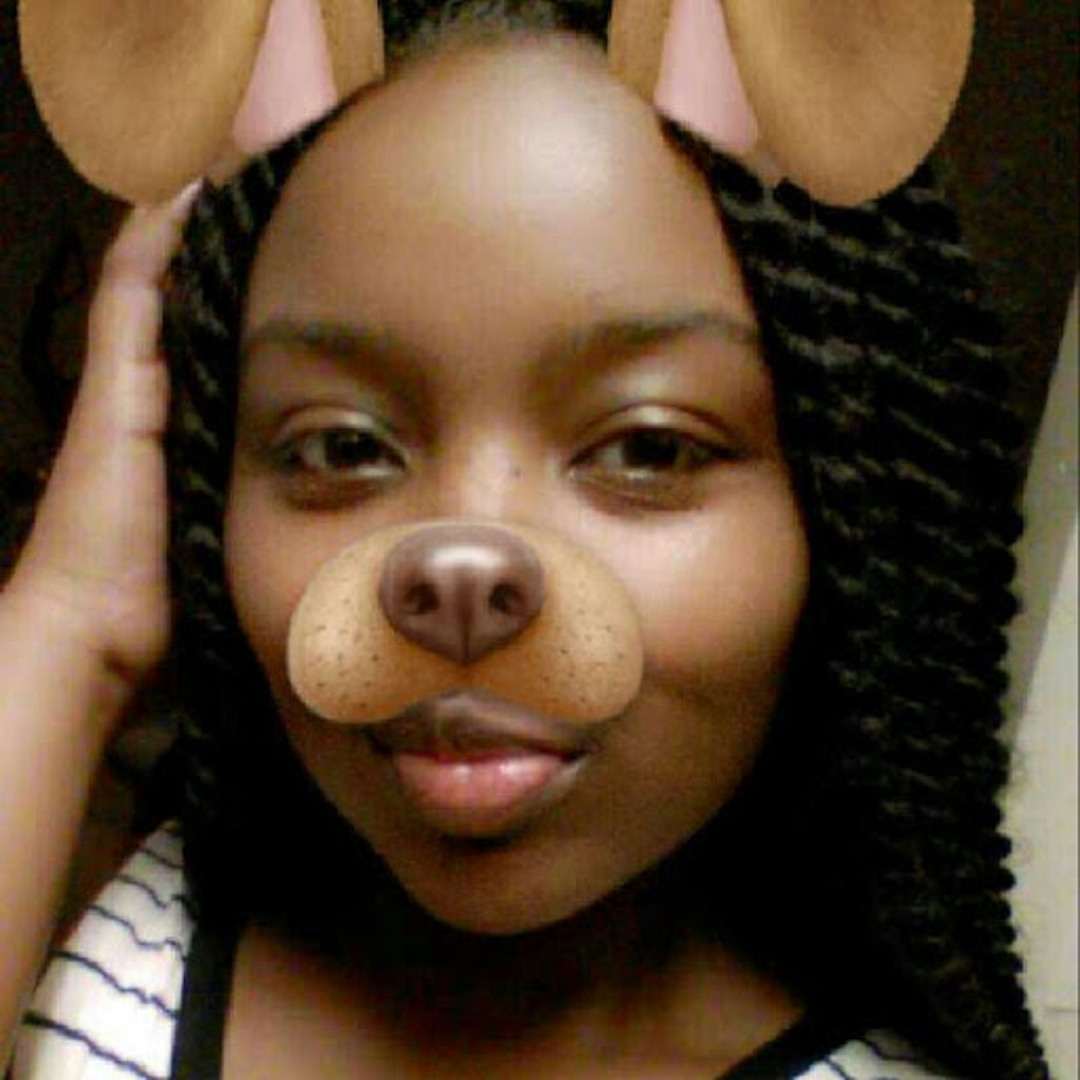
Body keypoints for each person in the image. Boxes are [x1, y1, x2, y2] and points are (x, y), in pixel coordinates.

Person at [0, 4, 1050, 1078]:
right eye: (341, 445)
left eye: (648, 448)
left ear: (845, 509)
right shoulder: (111, 894)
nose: (459, 567)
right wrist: (75, 619)